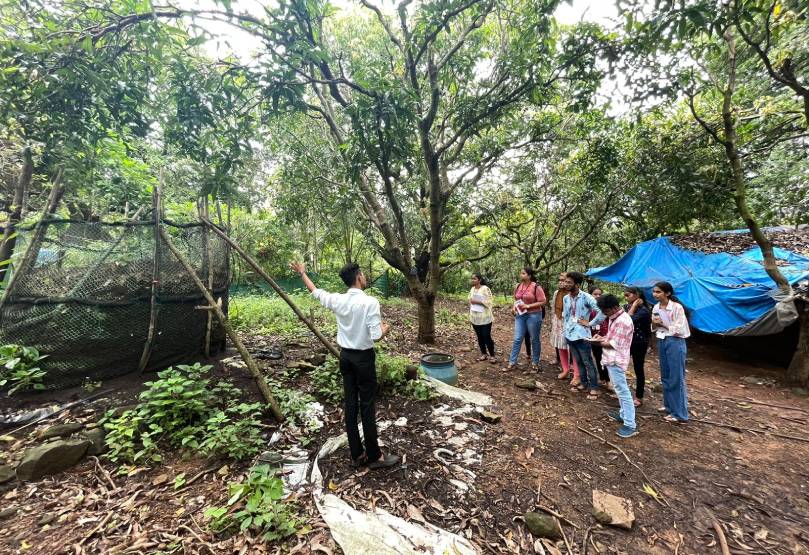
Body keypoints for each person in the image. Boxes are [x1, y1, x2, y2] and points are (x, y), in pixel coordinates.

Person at [290, 261, 400, 469]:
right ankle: (375, 456)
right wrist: (387, 328)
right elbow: (376, 336)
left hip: (345, 357)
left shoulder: (338, 300)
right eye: (364, 274)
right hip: (364, 358)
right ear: (358, 277)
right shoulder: (370, 303)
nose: (365, 277)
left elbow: (316, 291)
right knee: (367, 406)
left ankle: (357, 455)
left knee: (351, 404)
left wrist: (302, 273)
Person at [592, 294, 638, 438]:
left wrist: (595, 343)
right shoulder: (615, 318)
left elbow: (614, 345)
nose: (603, 313)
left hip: (616, 360)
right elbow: (612, 338)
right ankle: (623, 414)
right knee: (619, 390)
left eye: (605, 310)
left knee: (623, 391)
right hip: (611, 359)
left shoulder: (622, 321)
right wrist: (601, 338)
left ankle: (630, 424)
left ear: (613, 307)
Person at [651, 281, 691, 423]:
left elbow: (678, 329)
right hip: (662, 340)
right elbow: (654, 325)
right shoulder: (656, 307)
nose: (655, 294)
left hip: (675, 342)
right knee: (666, 376)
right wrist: (655, 324)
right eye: (654, 291)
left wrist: (662, 323)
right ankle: (669, 406)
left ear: (667, 293)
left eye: (658, 292)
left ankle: (680, 413)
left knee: (676, 377)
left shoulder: (677, 307)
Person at [561, 271, 604, 399]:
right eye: (565, 282)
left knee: (587, 361)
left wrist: (590, 323)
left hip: (582, 335)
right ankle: (584, 383)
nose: (566, 284)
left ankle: (594, 387)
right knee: (578, 361)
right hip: (570, 334)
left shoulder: (586, 297)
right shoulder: (566, 298)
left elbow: (601, 312)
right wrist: (565, 329)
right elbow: (567, 316)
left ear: (577, 284)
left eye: (569, 282)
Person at [507, 266, 546, 371]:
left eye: (523, 273)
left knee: (534, 339)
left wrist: (528, 306)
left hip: (534, 315)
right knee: (517, 338)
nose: (521, 275)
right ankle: (512, 362)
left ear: (529, 275)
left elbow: (543, 301)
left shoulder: (536, 286)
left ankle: (535, 362)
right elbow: (516, 299)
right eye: (521, 273)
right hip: (520, 315)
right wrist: (513, 308)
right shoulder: (518, 286)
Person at [623, 286, 652, 407]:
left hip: (639, 343)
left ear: (637, 296)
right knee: (621, 366)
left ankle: (639, 397)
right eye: (625, 295)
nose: (626, 297)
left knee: (638, 368)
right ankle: (623, 393)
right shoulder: (625, 307)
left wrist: (634, 306)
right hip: (627, 341)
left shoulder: (644, 310)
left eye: (628, 295)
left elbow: (627, 320)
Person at [550, 273, 580, 383]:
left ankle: (577, 374)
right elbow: (554, 307)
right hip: (559, 321)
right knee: (561, 346)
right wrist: (553, 321)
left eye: (564, 280)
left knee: (573, 348)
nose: (561, 282)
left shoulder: (574, 294)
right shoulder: (556, 293)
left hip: (572, 323)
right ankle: (565, 370)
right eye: (559, 280)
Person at [468, 272, 496, 363]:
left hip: (485, 317)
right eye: (472, 278)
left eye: (474, 278)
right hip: (475, 317)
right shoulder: (472, 289)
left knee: (486, 336)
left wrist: (478, 302)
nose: (472, 280)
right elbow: (469, 299)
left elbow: (490, 301)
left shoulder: (485, 289)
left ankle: (492, 355)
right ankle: (484, 353)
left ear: (479, 280)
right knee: (479, 336)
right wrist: (471, 301)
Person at [588, 286, 610, 387]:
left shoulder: (605, 308)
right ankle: (602, 378)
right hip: (592, 336)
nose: (597, 296)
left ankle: (608, 379)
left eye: (599, 294)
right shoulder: (588, 307)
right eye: (595, 294)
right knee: (597, 357)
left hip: (605, 336)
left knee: (605, 357)